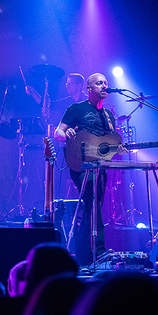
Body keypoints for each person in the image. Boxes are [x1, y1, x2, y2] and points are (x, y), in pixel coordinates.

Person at [54, 73, 126, 267]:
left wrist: (118, 148)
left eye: (106, 83)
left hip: (100, 166)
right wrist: (66, 133)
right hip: (81, 164)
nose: (104, 86)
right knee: (92, 202)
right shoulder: (76, 108)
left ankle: (85, 256)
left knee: (93, 207)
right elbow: (57, 133)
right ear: (89, 88)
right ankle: (99, 251)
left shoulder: (108, 115)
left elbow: (109, 144)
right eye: (99, 83)